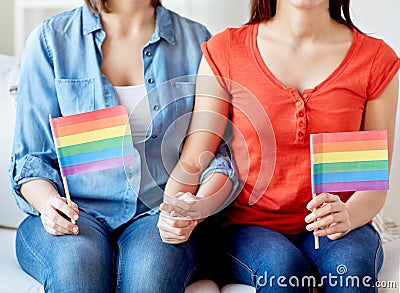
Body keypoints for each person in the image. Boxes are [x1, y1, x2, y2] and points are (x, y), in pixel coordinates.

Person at [161, 0, 400, 292]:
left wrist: (347, 215)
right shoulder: (225, 51)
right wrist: (173, 210)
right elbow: (194, 160)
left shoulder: (375, 59)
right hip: (248, 227)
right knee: (282, 269)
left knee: (349, 268)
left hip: (342, 225)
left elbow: (373, 184)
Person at [9, 0, 237, 292]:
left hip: (157, 213)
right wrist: (48, 206)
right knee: (76, 269)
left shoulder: (197, 41)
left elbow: (216, 154)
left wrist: (193, 209)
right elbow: (31, 160)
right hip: (77, 212)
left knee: (150, 277)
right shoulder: (50, 40)